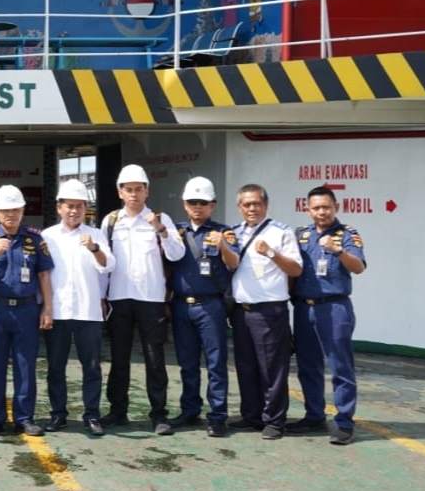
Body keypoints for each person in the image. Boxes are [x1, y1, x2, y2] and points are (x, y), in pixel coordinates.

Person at [99, 164, 185, 435]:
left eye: (139, 189)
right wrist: (102, 296)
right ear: (120, 192)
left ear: (147, 191)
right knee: (119, 358)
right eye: (128, 190)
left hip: (151, 300)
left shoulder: (162, 219)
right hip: (120, 298)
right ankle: (117, 411)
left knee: (155, 359)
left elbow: (176, 255)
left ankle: (159, 414)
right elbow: (102, 262)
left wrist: (160, 230)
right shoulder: (111, 221)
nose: (134, 194)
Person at [0, 185, 54, 437]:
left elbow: (43, 275)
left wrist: (47, 309)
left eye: (15, 209)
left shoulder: (34, 238)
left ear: (22, 210)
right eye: (5, 210)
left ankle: (24, 418)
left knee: (25, 365)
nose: (10, 214)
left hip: (27, 308)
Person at [289, 186, 366, 446]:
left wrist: (338, 250)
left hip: (334, 308)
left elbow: (359, 267)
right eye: (316, 207)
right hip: (303, 308)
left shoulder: (347, 235)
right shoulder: (302, 235)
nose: (322, 212)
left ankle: (344, 422)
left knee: (340, 367)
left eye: (326, 207)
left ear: (336, 207)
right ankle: (314, 416)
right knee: (308, 365)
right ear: (307, 209)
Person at [228, 183, 303, 440]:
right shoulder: (233, 233)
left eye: (256, 203)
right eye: (246, 204)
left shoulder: (281, 232)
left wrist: (271, 253)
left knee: (273, 369)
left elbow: (295, 269)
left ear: (266, 205)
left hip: (270, 311)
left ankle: (274, 421)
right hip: (241, 311)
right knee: (246, 366)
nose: (252, 208)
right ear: (239, 207)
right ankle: (251, 415)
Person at [40, 180, 114, 436]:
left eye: (79, 206)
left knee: (91, 366)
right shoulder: (47, 236)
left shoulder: (95, 235)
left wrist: (94, 249)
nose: (74, 211)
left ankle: (92, 415)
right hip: (58, 311)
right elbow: (43, 274)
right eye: (69, 206)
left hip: (88, 311)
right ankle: (58, 414)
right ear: (59, 207)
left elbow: (108, 265)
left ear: (86, 209)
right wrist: (45, 309)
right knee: (55, 366)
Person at [167, 177, 239, 438]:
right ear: (185, 204)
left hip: (211, 306)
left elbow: (234, 263)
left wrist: (221, 245)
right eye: (192, 202)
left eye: (203, 203)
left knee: (215, 363)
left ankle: (218, 415)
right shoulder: (177, 231)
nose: (198, 207)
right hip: (180, 305)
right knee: (187, 363)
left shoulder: (224, 231)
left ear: (213, 205)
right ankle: (189, 410)